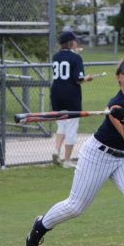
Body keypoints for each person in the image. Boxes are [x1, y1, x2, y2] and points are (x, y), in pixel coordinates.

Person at [25, 56, 124, 246]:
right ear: (119, 77)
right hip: (98, 155)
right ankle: (39, 227)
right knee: (75, 207)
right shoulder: (115, 105)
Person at [51, 31, 93, 169]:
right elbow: (78, 79)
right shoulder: (76, 58)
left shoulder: (56, 56)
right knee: (72, 126)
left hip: (56, 93)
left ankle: (56, 150)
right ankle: (67, 160)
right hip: (71, 94)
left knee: (61, 124)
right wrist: (88, 78)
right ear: (72, 42)